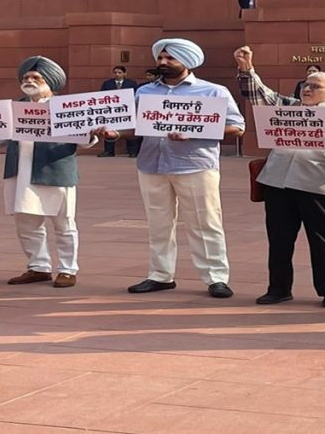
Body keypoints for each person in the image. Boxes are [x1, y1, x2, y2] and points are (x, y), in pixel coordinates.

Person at [95, 38, 245, 298]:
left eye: (170, 59)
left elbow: (237, 127)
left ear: (187, 61)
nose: (163, 63)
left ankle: (216, 278)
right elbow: (135, 127)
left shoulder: (212, 92)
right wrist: (115, 134)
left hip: (195, 165)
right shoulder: (144, 92)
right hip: (152, 164)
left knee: (204, 222)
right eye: (161, 58)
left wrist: (193, 131)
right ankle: (160, 275)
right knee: (158, 223)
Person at [234, 46, 325, 308]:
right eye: (305, 85)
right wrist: (246, 69)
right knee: (279, 240)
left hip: (319, 187)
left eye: (315, 86)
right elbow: (259, 95)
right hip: (278, 183)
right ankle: (278, 288)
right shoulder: (288, 106)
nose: (307, 90)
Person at [0, 57, 96, 288]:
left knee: (63, 223)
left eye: (36, 77)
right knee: (26, 223)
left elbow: (86, 141)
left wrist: (95, 131)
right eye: (26, 77)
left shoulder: (67, 108)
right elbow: (0, 134)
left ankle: (67, 269)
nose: (29, 80)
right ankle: (38, 267)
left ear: (50, 82)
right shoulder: (14, 107)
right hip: (19, 171)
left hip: (55, 171)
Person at [97, 65, 138, 157]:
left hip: (127, 110)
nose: (117, 74)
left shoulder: (131, 83)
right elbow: (102, 96)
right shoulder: (107, 83)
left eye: (119, 72)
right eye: (115, 72)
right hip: (111, 110)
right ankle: (109, 151)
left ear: (124, 73)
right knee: (109, 130)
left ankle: (132, 151)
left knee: (128, 130)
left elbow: (135, 96)